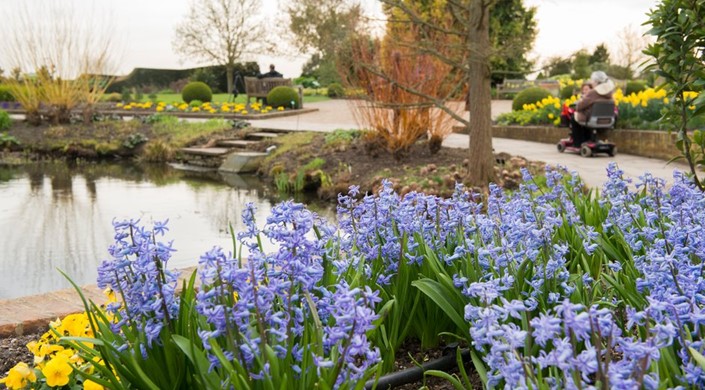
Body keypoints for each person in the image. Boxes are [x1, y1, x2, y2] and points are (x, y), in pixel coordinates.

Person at [571, 71, 615, 146]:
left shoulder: (594, 92)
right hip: (608, 119)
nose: (591, 82)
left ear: (595, 81)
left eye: (592, 80)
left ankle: (578, 143)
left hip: (592, 118)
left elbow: (580, 106)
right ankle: (591, 139)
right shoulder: (610, 93)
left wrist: (578, 104)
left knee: (574, 117)